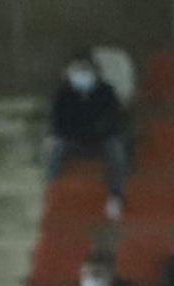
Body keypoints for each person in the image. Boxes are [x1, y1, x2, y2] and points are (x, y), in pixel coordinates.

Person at [44, 54, 128, 213]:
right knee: (54, 148)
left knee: (117, 149)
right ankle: (52, 194)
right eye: (77, 70)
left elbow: (113, 121)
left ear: (95, 72)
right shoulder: (62, 94)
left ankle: (115, 197)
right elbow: (58, 124)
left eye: (85, 70)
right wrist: (74, 132)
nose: (81, 74)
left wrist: (97, 131)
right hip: (72, 141)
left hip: (100, 141)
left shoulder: (106, 92)